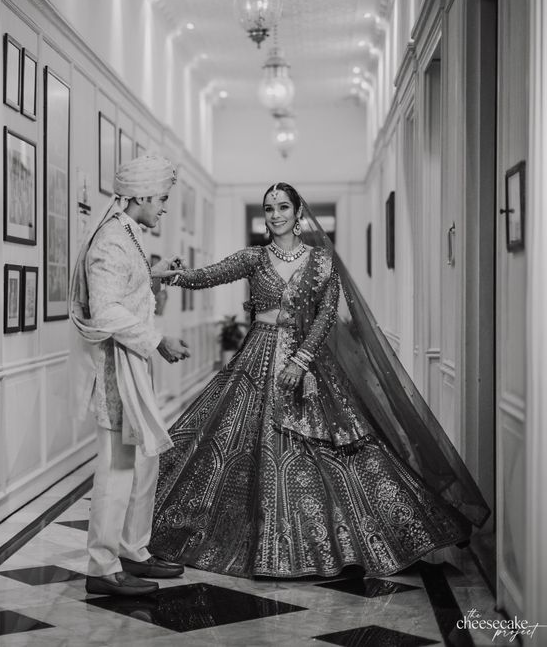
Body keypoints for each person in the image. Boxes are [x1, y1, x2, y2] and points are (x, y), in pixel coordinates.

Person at [149, 182, 489, 578]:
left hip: (310, 362)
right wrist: (168, 274)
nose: (275, 215)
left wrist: (301, 360)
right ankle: (252, 539)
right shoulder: (253, 258)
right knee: (233, 440)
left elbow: (327, 314)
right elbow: (206, 276)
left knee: (343, 446)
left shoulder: (322, 260)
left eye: (283, 207)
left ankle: (353, 539)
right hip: (258, 354)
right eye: (269, 208)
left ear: (297, 212)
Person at [69, 155, 192, 596]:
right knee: (117, 467)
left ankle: (133, 549)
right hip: (115, 369)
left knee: (144, 460)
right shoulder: (111, 240)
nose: (164, 207)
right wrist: (158, 341)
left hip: (133, 364)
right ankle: (102, 568)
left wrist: (153, 276)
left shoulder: (130, 234)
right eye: (161, 199)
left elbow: (125, 288)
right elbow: (106, 311)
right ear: (141, 196)